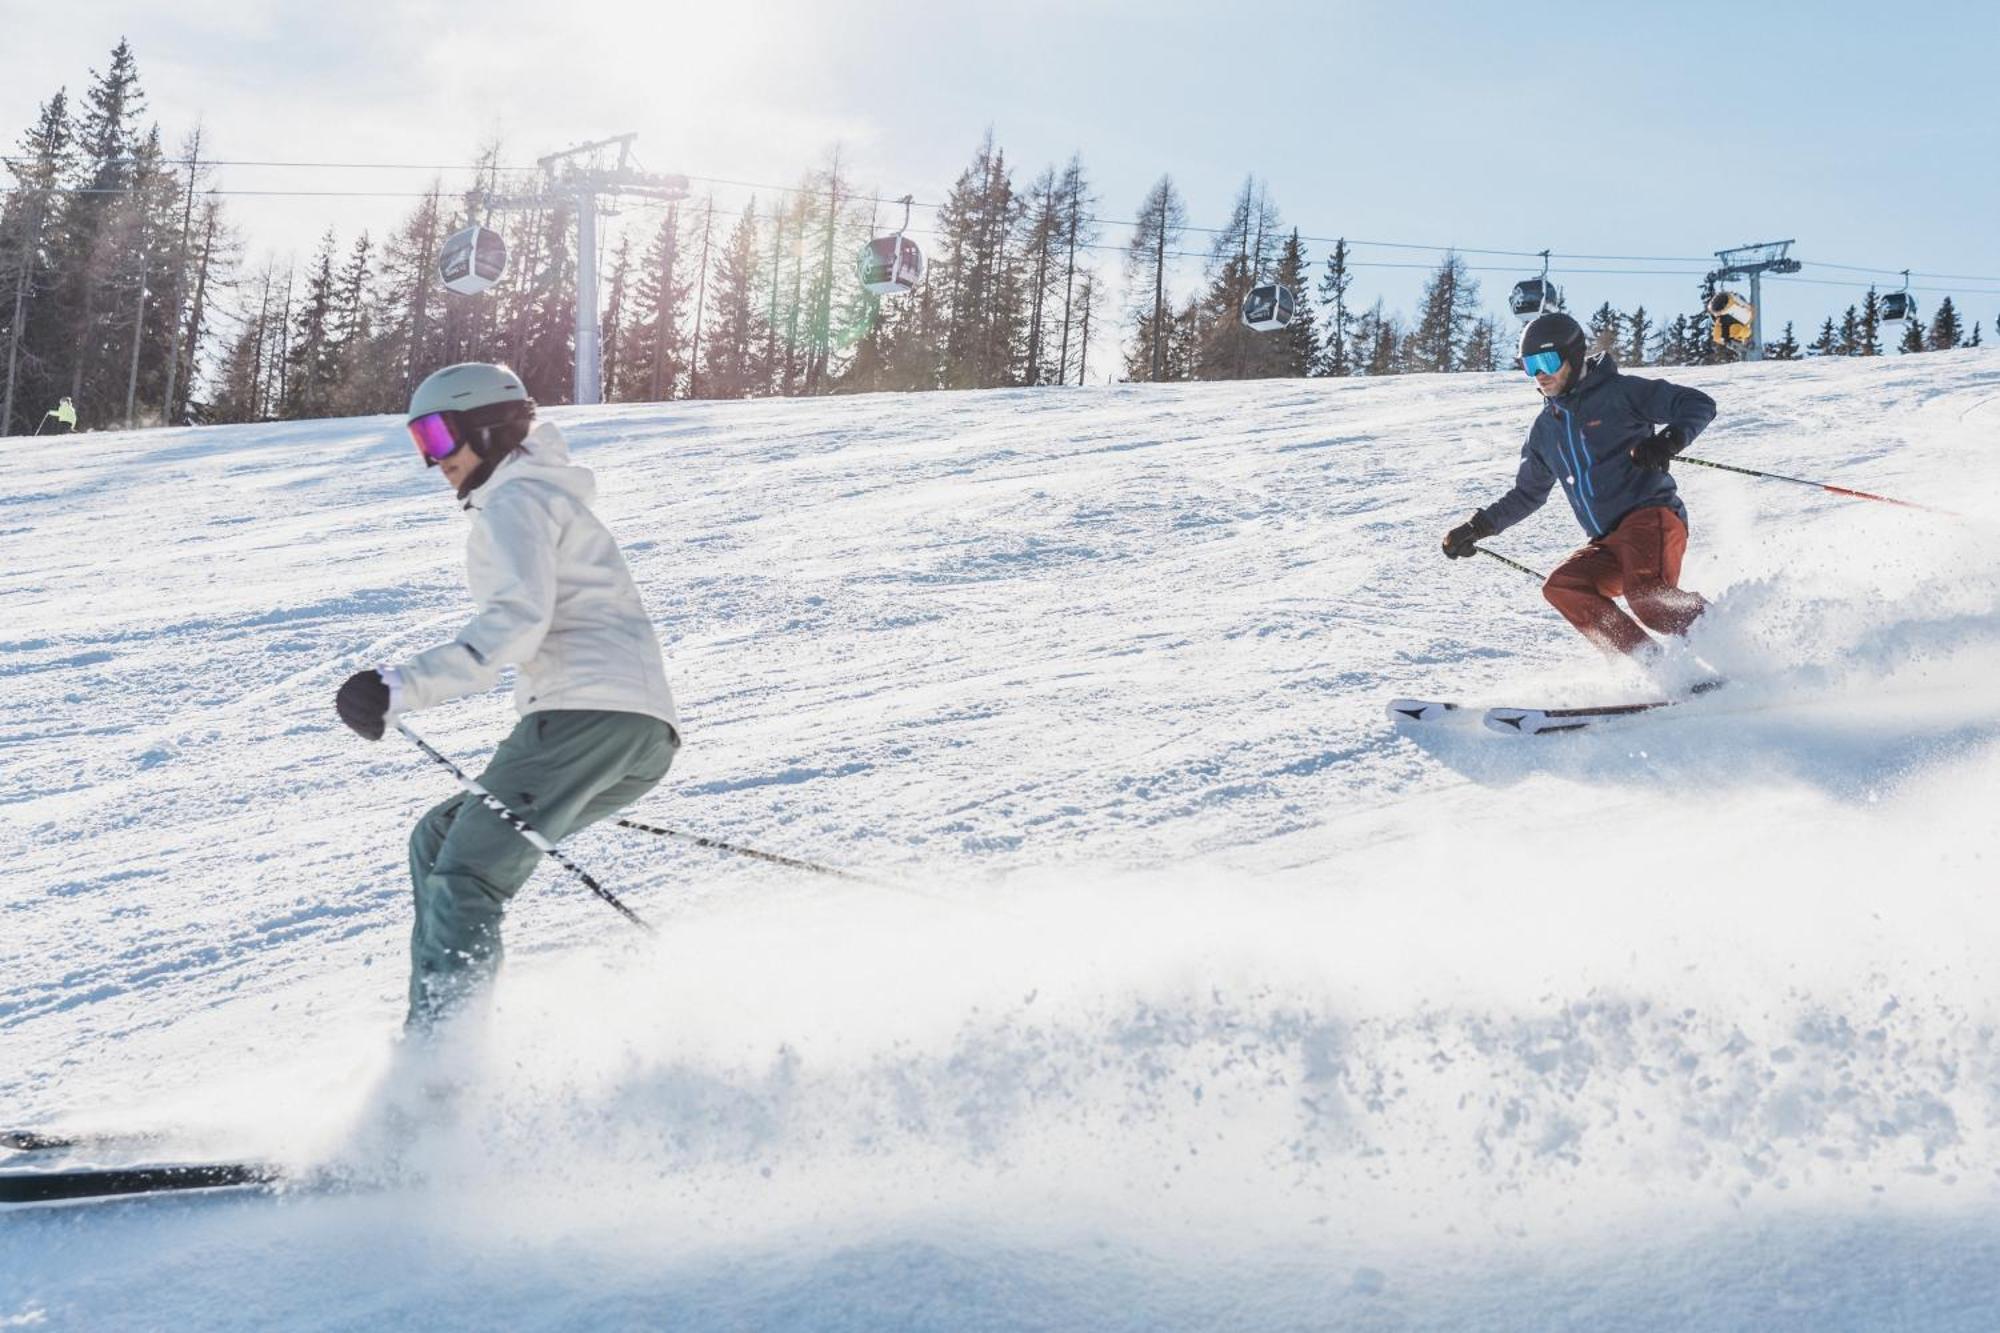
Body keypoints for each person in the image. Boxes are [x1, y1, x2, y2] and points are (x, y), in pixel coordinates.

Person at [333, 363, 679, 1032]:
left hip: (587, 713)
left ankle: (440, 1072)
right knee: (438, 840)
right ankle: (434, 1044)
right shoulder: (538, 499)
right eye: (419, 443)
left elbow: (517, 622)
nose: (434, 461)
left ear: (486, 428)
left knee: (465, 876)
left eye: (438, 437)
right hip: (629, 730)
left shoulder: (518, 502)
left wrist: (398, 686)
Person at [1442, 312, 1718, 666]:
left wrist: (1668, 441)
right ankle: (1655, 667)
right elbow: (1527, 494)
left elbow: (1697, 404)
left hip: (1651, 517)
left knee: (1648, 599)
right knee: (1565, 587)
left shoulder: (1621, 393)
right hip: (1606, 540)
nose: (1540, 373)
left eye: (1548, 361)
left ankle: (1731, 636)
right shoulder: (1545, 430)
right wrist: (1475, 528)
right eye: (1530, 365)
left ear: (1572, 357)